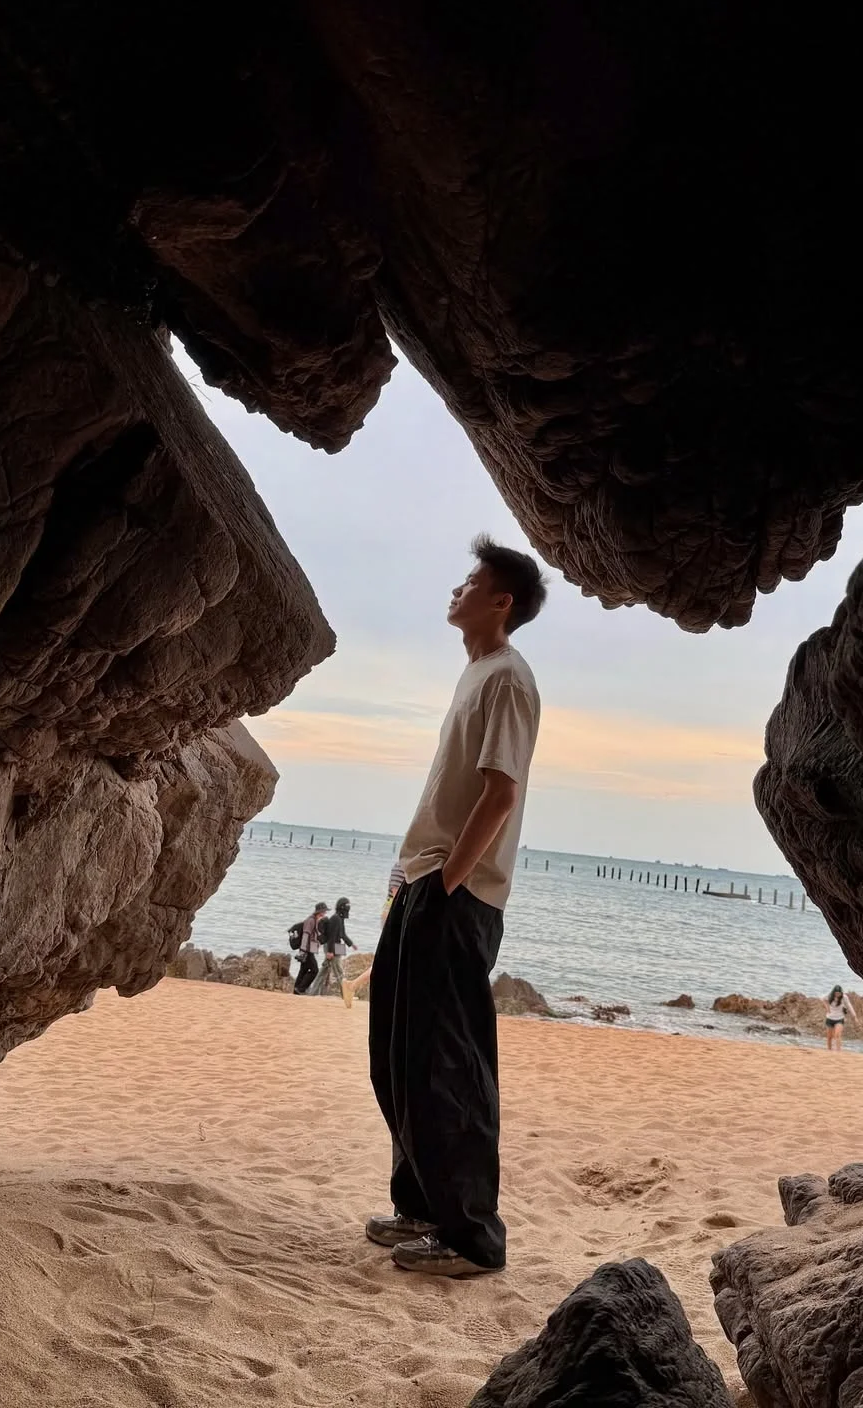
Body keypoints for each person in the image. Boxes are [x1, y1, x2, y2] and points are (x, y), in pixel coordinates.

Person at [367, 535, 546, 1278]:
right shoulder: (476, 673)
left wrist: (447, 882)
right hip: (425, 881)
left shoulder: (508, 677)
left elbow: (500, 794)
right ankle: (421, 1208)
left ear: (501, 601)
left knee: (448, 1066)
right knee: (399, 1058)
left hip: (456, 891)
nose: (457, 589)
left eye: (471, 582)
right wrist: (416, 880)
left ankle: (471, 1238)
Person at [342, 862, 404, 1009]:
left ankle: (352, 985)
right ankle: (352, 985)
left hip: (392, 911)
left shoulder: (402, 864)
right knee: (391, 958)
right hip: (394, 912)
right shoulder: (401, 866)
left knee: (392, 958)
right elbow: (396, 891)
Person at [315, 897, 356, 996]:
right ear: (342, 907)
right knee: (339, 971)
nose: (348, 908)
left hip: (336, 945)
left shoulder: (340, 919)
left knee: (323, 971)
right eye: (347, 906)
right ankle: (345, 994)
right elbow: (331, 936)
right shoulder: (335, 919)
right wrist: (330, 951)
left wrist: (351, 944)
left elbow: (342, 934)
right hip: (332, 946)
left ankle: (313, 992)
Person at [292, 903, 328, 995]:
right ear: (320, 911)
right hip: (306, 950)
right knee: (314, 970)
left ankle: (296, 990)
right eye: (324, 911)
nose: (325, 913)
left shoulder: (315, 920)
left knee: (303, 969)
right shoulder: (311, 920)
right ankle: (301, 989)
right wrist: (303, 950)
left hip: (308, 949)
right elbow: (306, 935)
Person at [823, 984, 857, 1050]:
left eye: (839, 993)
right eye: (836, 993)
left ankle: (838, 1051)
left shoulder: (844, 997)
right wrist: (827, 1008)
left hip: (839, 1019)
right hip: (830, 1018)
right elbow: (823, 999)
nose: (837, 994)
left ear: (841, 993)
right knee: (829, 1037)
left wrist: (854, 1016)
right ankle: (829, 1051)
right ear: (834, 992)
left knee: (837, 1035)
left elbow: (849, 1006)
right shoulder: (829, 996)